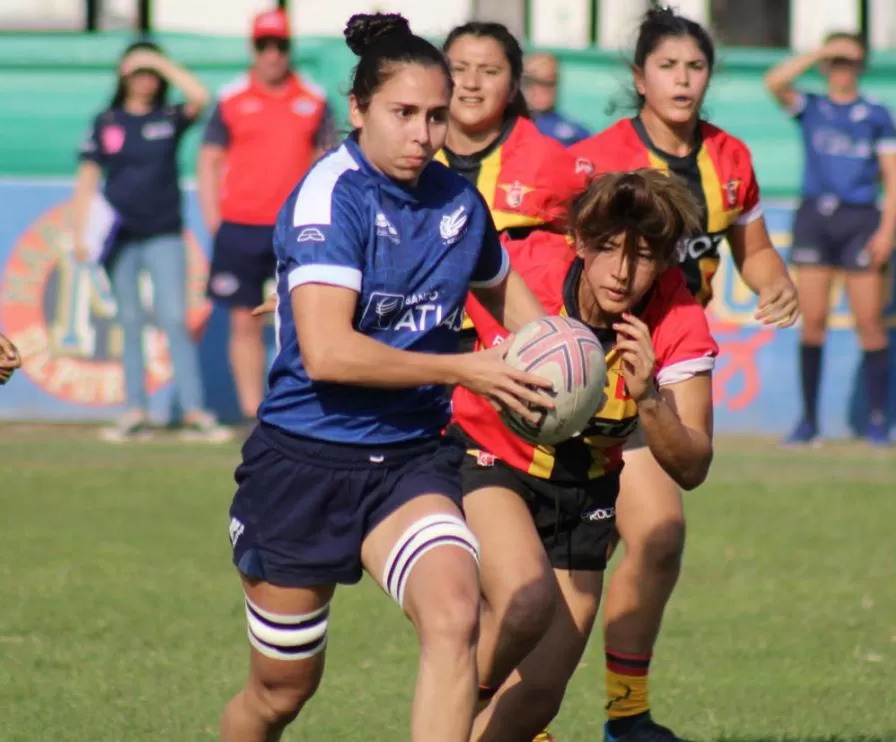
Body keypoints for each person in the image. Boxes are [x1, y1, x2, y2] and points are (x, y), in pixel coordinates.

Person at [219, 14, 556, 742]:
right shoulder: (329, 197)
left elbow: (520, 312)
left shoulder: (458, 205)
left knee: (455, 614)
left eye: (437, 116)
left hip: (408, 460)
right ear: (359, 110)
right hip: (304, 464)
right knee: (280, 692)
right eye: (404, 113)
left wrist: (567, 366)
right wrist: (466, 367)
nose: (423, 134)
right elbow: (329, 355)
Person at [568, 8, 799, 740]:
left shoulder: (730, 158)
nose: (683, 80)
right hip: (581, 374)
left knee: (660, 530)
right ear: (639, 78)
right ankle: (521, 710)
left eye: (695, 67)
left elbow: (752, 250)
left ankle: (626, 718)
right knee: (569, 552)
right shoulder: (597, 158)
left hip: (666, 366)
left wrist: (773, 281)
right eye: (668, 66)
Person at [451, 169, 718, 742]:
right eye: (609, 250)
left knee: (540, 697)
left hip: (585, 492)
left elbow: (693, 466)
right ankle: (442, 710)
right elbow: (429, 279)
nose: (623, 272)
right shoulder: (525, 268)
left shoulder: (676, 318)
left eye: (644, 256)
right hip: (488, 460)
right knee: (525, 600)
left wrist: (650, 398)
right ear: (579, 242)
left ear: (666, 260)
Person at [72, 40, 229, 442]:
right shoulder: (106, 121)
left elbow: (201, 97)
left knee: (175, 318)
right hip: (119, 237)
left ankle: (194, 411)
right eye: (136, 72)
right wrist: (79, 230)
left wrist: (158, 59)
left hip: (164, 232)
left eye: (150, 74)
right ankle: (134, 411)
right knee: (129, 321)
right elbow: (89, 176)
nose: (144, 80)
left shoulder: (169, 117)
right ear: (123, 77)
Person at [765, 32, 896, 446]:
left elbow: (894, 181)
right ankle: (808, 421)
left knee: (870, 324)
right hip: (815, 220)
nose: (844, 69)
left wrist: (886, 230)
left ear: (862, 66)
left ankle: (878, 421)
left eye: (851, 61)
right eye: (837, 61)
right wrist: (821, 50)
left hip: (861, 221)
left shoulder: (877, 114)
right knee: (813, 325)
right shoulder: (811, 106)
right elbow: (774, 82)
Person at [198, 8, 336, 425]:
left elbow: (326, 160)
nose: (272, 54)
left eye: (280, 46)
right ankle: (250, 413)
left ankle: (296, 410)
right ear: (253, 48)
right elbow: (209, 159)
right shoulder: (231, 98)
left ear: (289, 49)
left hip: (296, 230)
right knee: (243, 321)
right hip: (239, 226)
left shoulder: (312, 99)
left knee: (302, 319)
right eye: (264, 45)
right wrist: (214, 219)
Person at [440, 22, 586, 356]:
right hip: (420, 348)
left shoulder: (552, 162)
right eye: (458, 69)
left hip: (517, 351)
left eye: (489, 71)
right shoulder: (410, 155)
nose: (472, 84)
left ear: (513, 85)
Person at [522, 51, 591, 147]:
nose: (541, 89)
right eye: (534, 81)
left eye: (550, 82)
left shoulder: (576, 134)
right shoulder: (508, 128)